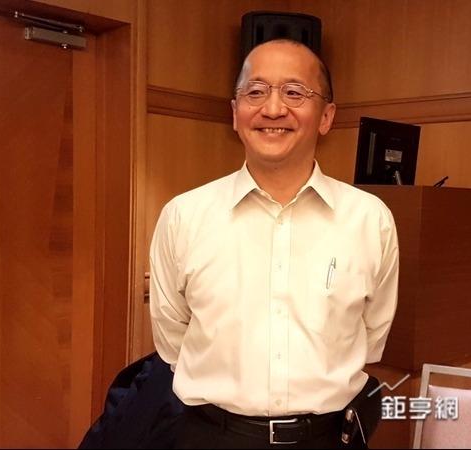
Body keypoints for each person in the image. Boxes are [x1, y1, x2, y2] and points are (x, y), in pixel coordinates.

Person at [149, 39, 399, 449]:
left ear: (326, 117)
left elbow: (371, 336)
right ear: (235, 113)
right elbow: (171, 337)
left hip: (328, 438)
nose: (273, 108)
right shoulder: (183, 216)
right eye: (256, 91)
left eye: (295, 92)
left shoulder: (370, 220)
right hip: (211, 437)